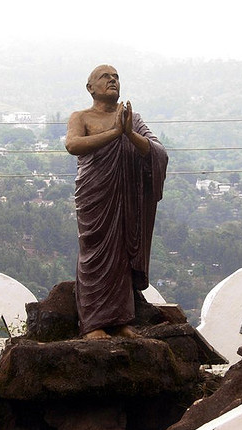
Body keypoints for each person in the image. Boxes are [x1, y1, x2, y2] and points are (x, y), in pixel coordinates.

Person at [65, 64, 168, 339]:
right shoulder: (81, 117)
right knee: (94, 252)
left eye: (116, 77)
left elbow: (157, 151)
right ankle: (93, 324)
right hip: (95, 194)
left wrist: (128, 132)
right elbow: (73, 145)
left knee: (121, 253)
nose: (112, 80)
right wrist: (114, 133)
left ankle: (120, 321)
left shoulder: (131, 119)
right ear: (91, 88)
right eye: (105, 77)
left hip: (125, 195)